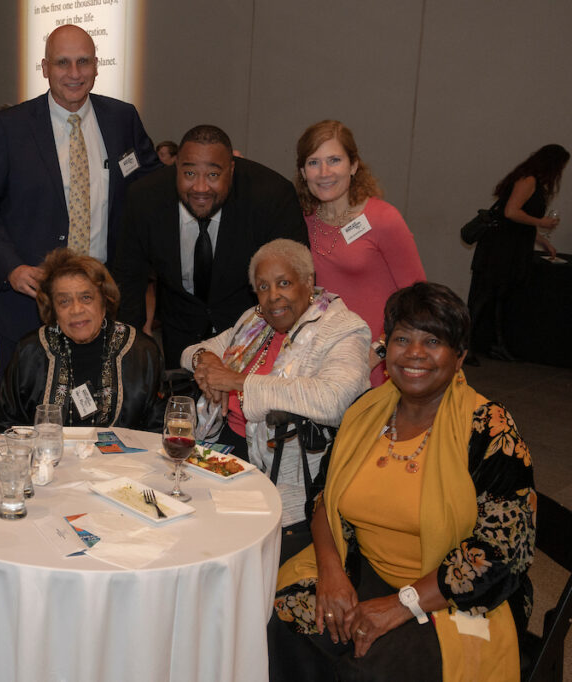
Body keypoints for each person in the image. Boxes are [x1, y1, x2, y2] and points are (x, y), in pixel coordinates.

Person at [269, 282, 534, 682]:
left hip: (452, 597)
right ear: (386, 349)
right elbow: (325, 497)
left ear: (459, 356)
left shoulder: (489, 429)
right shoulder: (366, 411)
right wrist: (331, 573)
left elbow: (501, 553)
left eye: (433, 341)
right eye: (402, 338)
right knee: (279, 623)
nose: (414, 353)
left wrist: (401, 604)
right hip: (364, 568)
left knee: (368, 669)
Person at [0, 23, 161, 374]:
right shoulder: (11, 126)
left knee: (99, 414)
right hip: (30, 302)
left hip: (103, 303)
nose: (74, 73)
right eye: (63, 63)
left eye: (84, 62)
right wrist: (11, 267)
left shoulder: (122, 118)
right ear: (44, 68)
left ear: (97, 66)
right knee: (27, 418)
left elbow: (151, 187)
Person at [181, 239, 369, 558]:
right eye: (263, 287)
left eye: (284, 283)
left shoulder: (344, 329)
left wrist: (239, 381)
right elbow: (193, 351)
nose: (273, 297)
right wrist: (207, 361)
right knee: (175, 524)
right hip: (224, 447)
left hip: (285, 470)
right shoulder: (255, 322)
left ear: (308, 282)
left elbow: (333, 399)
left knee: (211, 547)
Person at [114, 124, 308, 367]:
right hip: (179, 339)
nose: (200, 188)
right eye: (189, 174)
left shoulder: (271, 196)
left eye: (213, 175)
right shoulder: (145, 198)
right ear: (176, 166)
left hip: (254, 339)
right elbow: (128, 281)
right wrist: (130, 356)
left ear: (232, 169)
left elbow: (293, 282)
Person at [295, 120, 425, 385]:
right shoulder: (301, 221)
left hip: (378, 363)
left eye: (334, 160)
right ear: (302, 171)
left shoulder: (382, 218)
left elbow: (418, 299)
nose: (324, 172)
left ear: (353, 166)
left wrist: (378, 351)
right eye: (313, 162)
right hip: (324, 362)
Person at [0, 248, 163, 431]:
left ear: (104, 302)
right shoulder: (31, 351)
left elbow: (158, 431)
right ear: (53, 310)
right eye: (64, 301)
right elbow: (5, 427)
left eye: (86, 298)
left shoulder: (141, 351)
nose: (76, 310)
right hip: (48, 457)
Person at [468, 143, 568, 361]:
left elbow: (518, 221)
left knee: (498, 297)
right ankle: (466, 346)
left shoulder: (531, 180)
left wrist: (542, 241)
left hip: (508, 247)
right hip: (500, 249)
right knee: (484, 297)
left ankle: (493, 344)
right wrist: (542, 222)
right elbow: (511, 212)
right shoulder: (528, 180)